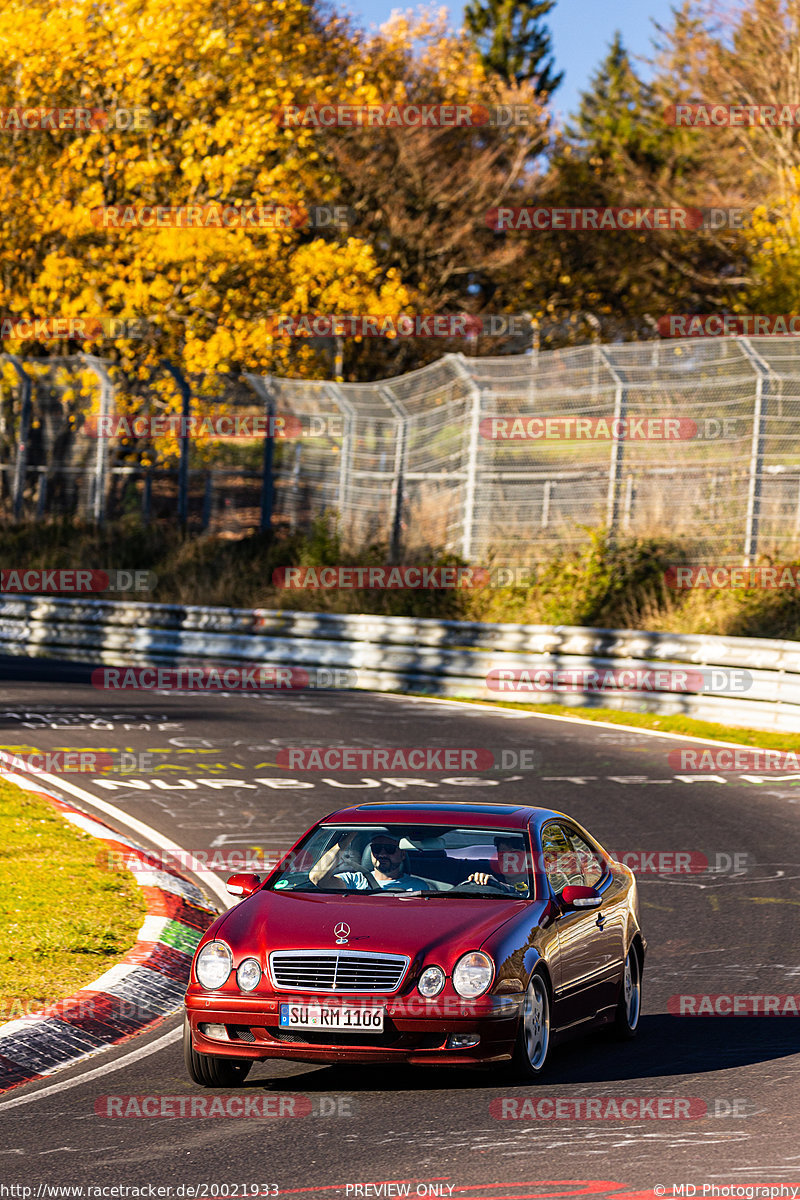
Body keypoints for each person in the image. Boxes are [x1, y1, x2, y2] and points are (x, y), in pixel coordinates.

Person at [309, 831, 433, 891]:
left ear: (402, 854)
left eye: (389, 849)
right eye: (376, 848)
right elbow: (317, 878)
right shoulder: (354, 881)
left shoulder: (418, 887)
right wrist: (347, 840)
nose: (382, 854)